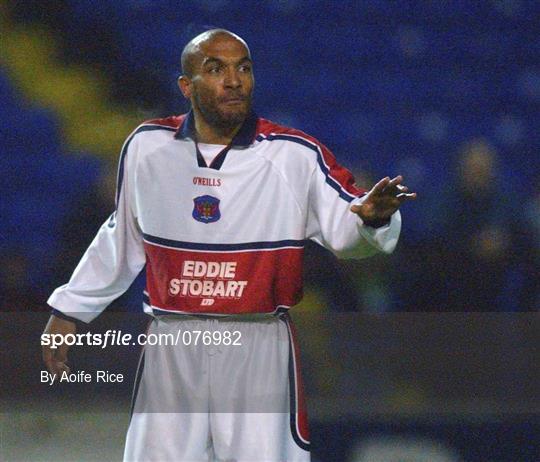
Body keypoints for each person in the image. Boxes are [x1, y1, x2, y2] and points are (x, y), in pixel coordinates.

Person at [42, 29, 416, 462]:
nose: (234, 79)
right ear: (187, 86)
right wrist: (69, 310)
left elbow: (347, 228)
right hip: (172, 343)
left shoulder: (294, 155)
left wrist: (375, 218)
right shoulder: (146, 148)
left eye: (244, 68)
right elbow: (121, 236)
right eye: (216, 69)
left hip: (257, 345)